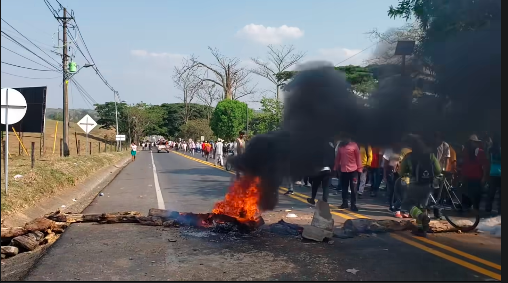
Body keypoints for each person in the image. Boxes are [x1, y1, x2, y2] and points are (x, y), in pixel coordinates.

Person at [397, 135, 442, 237]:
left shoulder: (409, 156)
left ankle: (420, 216)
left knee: (408, 205)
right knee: (423, 206)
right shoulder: (430, 156)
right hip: (427, 186)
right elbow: (438, 170)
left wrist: (406, 173)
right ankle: (421, 229)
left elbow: (401, 172)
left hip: (414, 185)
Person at [334, 136, 362, 212]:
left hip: (354, 171)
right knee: (344, 189)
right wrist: (335, 168)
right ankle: (344, 203)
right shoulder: (340, 146)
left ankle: (353, 205)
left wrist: (360, 169)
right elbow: (338, 158)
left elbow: (358, 157)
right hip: (343, 170)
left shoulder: (354, 145)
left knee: (353, 189)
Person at [461, 135, 488, 210]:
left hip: (477, 179)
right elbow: (464, 165)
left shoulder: (480, 152)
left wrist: (484, 177)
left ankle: (475, 212)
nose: (472, 144)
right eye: (471, 143)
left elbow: (484, 166)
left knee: (476, 197)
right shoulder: (465, 151)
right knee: (466, 196)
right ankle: (465, 212)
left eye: (474, 143)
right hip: (467, 178)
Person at [486, 133, 501, 214]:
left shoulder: (490, 149)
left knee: (491, 192)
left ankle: (488, 208)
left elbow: (488, 161)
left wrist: (487, 174)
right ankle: (500, 210)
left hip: (493, 173)